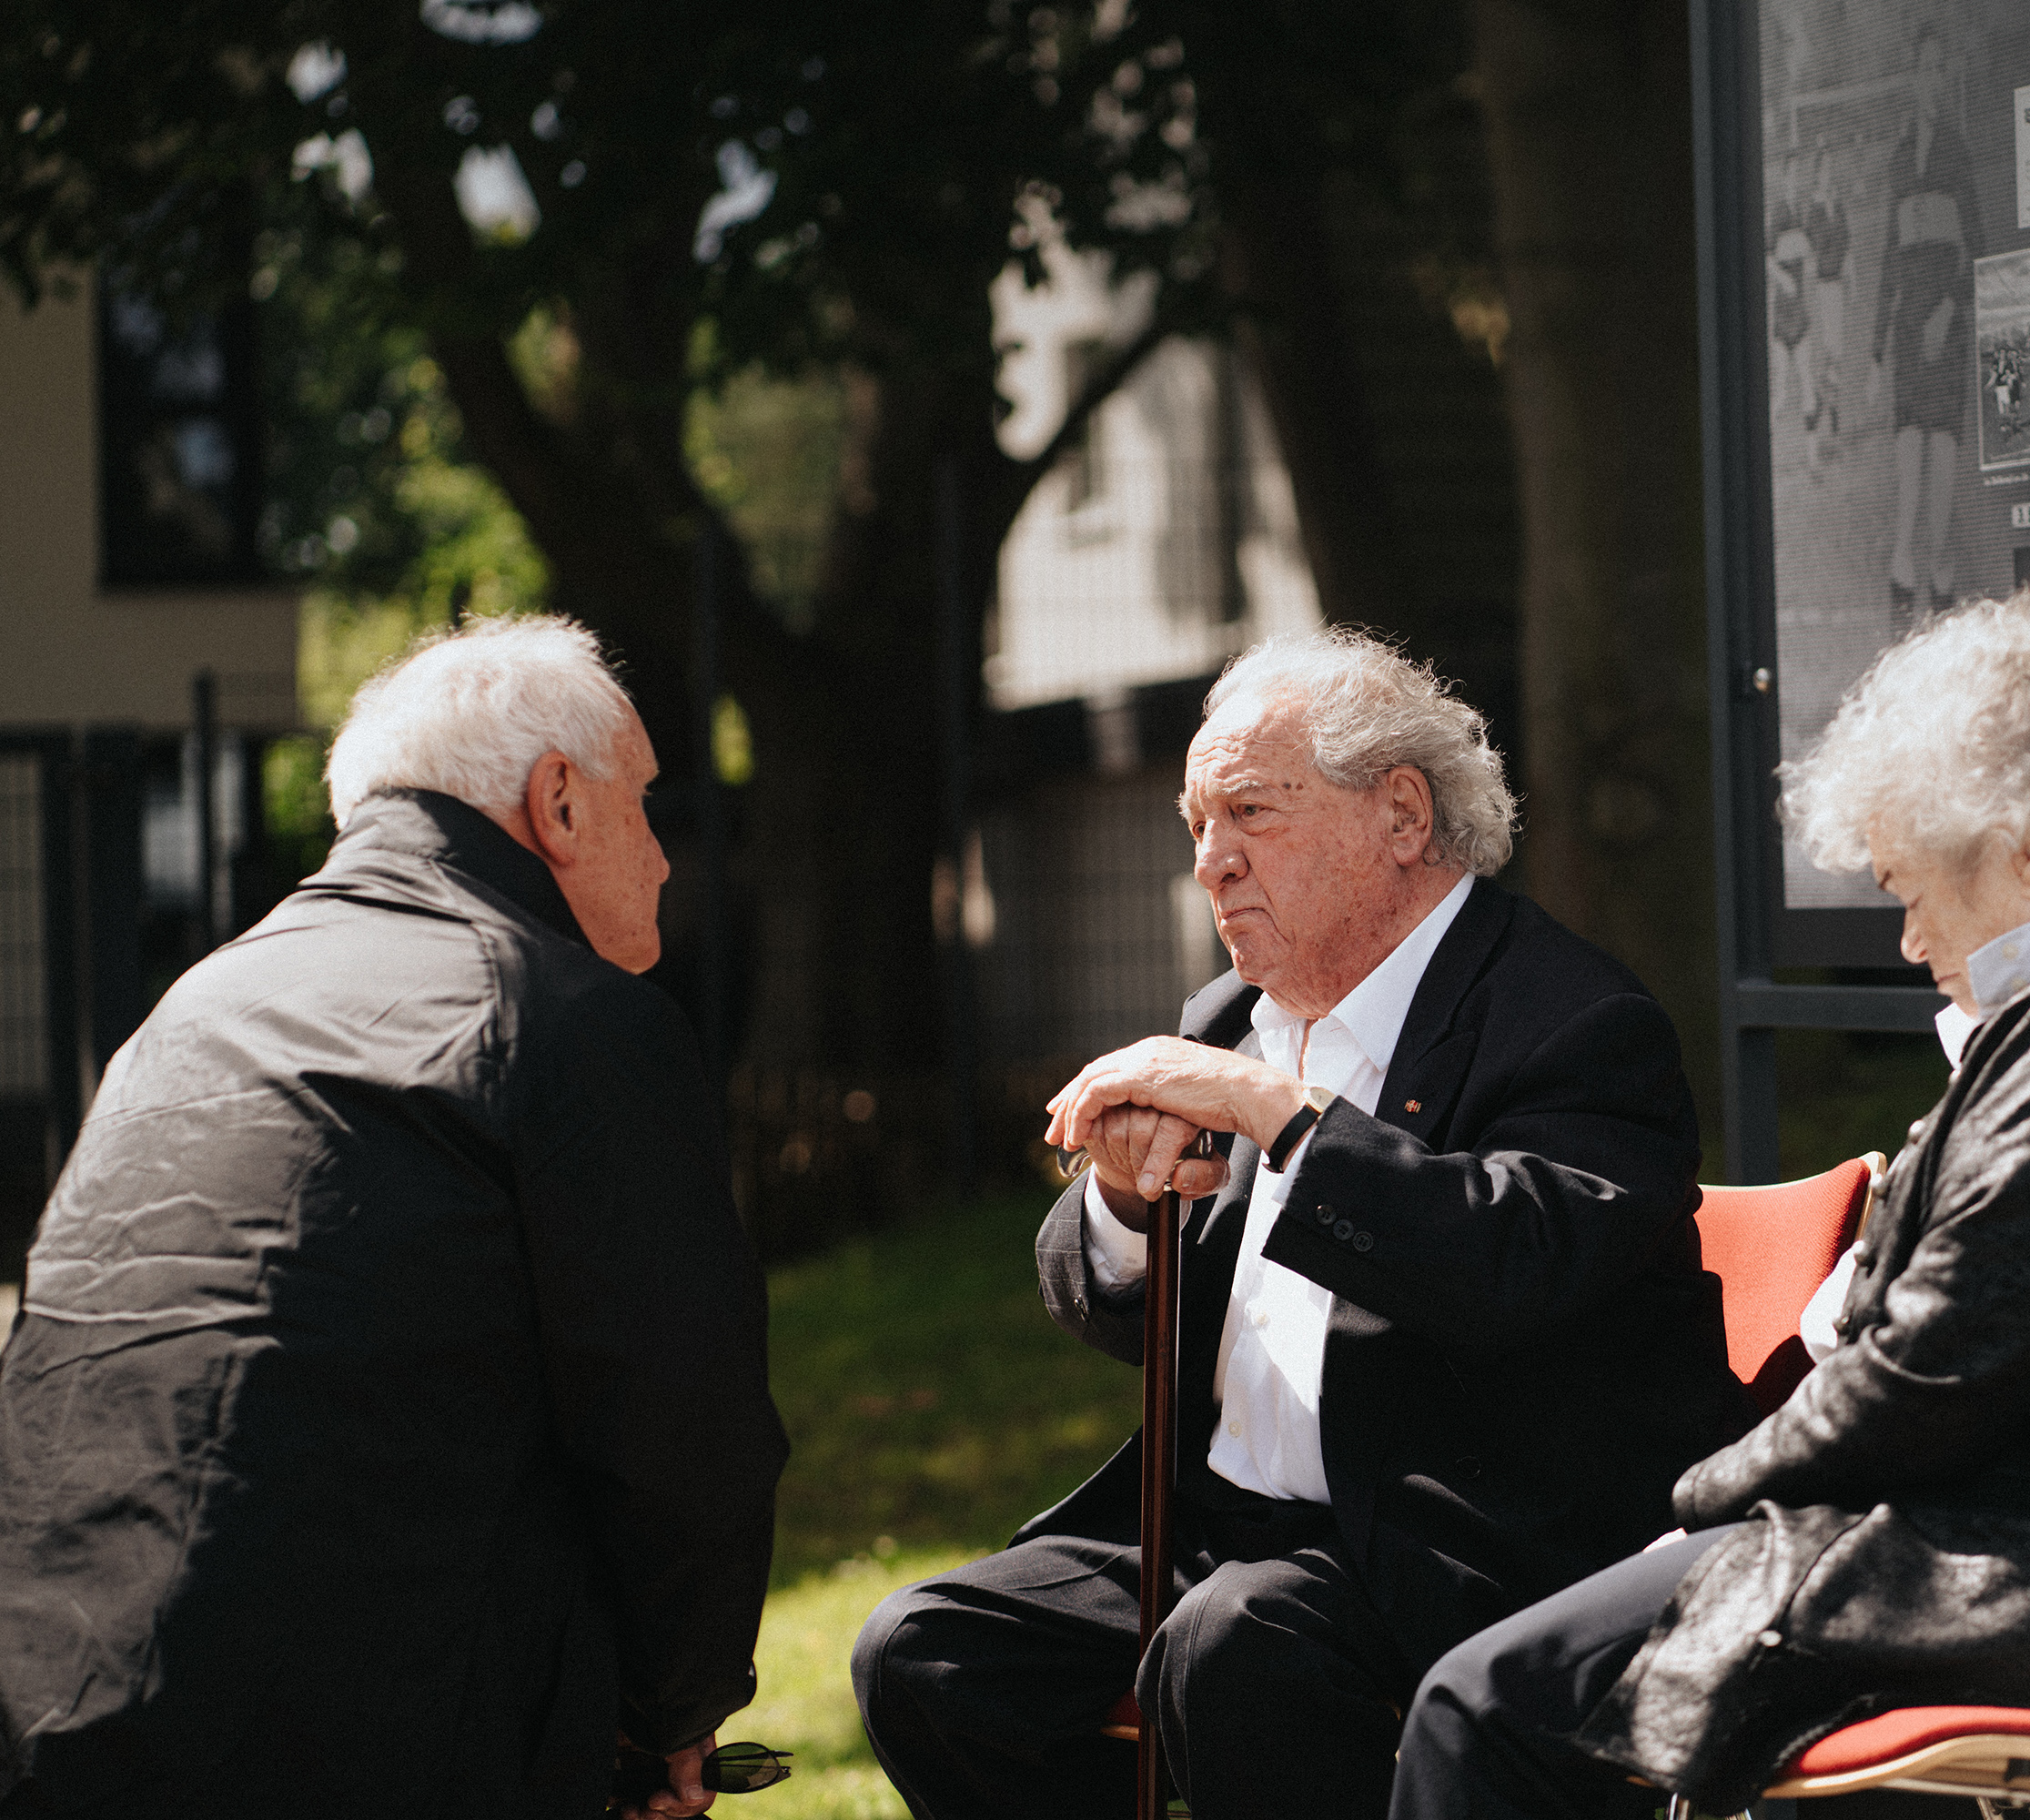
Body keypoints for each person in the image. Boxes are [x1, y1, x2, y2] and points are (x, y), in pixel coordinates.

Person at [1386, 582, 2030, 1820]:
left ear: (2022, 845)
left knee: (1481, 1707)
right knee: (1535, 1675)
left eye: (1909, 890)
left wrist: (1692, 1502)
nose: (1907, 942)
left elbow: (1931, 1369)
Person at [851, 630, 1753, 1820]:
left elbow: (1518, 1258)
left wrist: (1287, 1118)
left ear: (1399, 815)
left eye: (1249, 815)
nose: (1210, 865)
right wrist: (1124, 1201)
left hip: (1453, 1538)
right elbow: (1099, 1290)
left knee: (1234, 1641)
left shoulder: (1572, 1017)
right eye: (1195, 827)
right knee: (925, 1650)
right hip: (1221, 1526)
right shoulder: (1230, 1014)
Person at [0, 617, 786, 1820]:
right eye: (645, 805)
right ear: (559, 802)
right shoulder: (570, 1017)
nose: (666, 857)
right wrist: (670, 1720)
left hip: (56, 1706)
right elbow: (685, 1435)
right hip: (369, 1737)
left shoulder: (194, 1006)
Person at [1873, 18, 1977, 627]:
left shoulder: (1958, 155)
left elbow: (1979, 248)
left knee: (1940, 505)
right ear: (1912, 77)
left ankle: (1940, 602)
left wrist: (1948, 309)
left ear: (1946, 76)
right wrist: (1873, 350)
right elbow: (1889, 258)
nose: (1932, 79)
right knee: (1907, 494)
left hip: (1948, 332)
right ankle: (1899, 610)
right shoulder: (1894, 162)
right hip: (1909, 338)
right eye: (1923, 68)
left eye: (1940, 68)